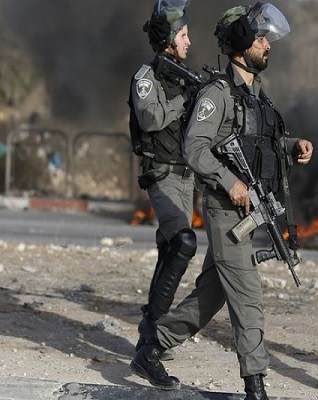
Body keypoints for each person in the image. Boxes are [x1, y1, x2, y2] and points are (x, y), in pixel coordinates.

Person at [129, 3, 314, 398]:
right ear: (242, 45)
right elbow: (195, 147)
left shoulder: (255, 95)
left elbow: (258, 144)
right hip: (225, 210)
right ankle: (255, 385)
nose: (267, 45)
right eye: (260, 39)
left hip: (249, 213)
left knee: (211, 295)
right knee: (248, 296)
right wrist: (230, 183)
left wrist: (293, 145)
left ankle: (153, 346)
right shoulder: (218, 93)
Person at [129, 0, 198, 361]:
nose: (189, 41)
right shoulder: (146, 78)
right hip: (161, 175)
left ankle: (149, 327)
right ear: (169, 39)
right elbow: (151, 118)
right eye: (183, 35)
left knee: (171, 249)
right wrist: (184, 101)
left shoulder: (186, 78)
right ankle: (152, 331)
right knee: (184, 243)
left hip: (187, 179)